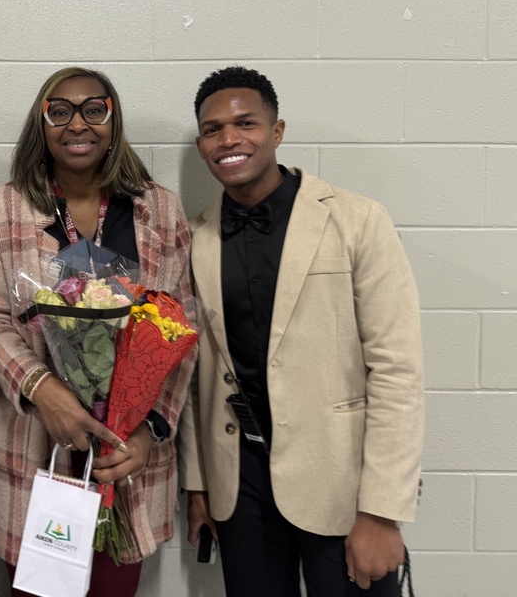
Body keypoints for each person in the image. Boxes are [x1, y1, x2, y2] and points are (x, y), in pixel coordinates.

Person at [179, 66, 424, 596]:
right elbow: (195, 375)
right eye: (213, 130)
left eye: (246, 123)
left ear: (277, 131)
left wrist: (382, 511)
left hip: (340, 483)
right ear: (201, 145)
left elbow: (397, 371)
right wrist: (198, 485)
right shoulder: (195, 236)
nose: (229, 139)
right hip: (239, 484)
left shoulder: (358, 220)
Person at [0, 67, 196, 596]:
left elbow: (180, 329)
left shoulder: (159, 209)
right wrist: (42, 388)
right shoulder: (4, 208)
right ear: (42, 123)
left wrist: (150, 430)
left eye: (95, 110)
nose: (78, 124)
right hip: (35, 445)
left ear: (113, 122)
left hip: (124, 456)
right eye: (61, 112)